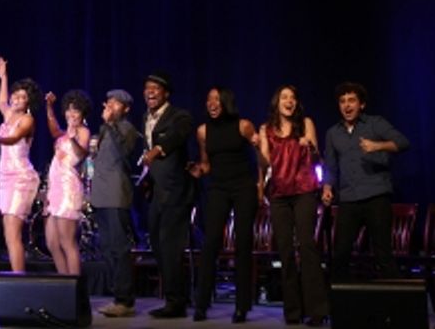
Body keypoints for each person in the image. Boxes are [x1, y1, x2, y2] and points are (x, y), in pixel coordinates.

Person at [322, 81, 411, 281]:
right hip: (349, 199)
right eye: (342, 101)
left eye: (351, 100)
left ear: (361, 104)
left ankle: (395, 298)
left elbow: (403, 143)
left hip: (376, 196)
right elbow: (331, 166)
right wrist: (327, 187)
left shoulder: (375, 123)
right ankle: (341, 299)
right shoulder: (333, 133)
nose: (347, 105)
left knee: (382, 254)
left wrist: (378, 146)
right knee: (340, 254)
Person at [189, 87, 262, 324]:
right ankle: (201, 305)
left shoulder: (243, 126)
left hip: (243, 187)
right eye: (208, 99)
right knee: (210, 243)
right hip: (218, 188)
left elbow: (260, 159)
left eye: (216, 99)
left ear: (226, 102)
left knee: (243, 244)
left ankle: (241, 307)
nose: (211, 103)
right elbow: (206, 164)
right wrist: (197, 170)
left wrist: (260, 184)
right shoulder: (203, 131)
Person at [257, 85, 328, 325]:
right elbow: (265, 164)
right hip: (279, 194)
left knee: (307, 246)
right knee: (285, 251)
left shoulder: (306, 124)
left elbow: (318, 158)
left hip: (304, 190)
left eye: (293, 98)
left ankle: (317, 310)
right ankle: (293, 311)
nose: (289, 101)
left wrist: (311, 146)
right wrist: (257, 148)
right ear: (277, 103)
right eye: (284, 97)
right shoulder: (266, 129)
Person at [138, 72, 196, 319]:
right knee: (158, 244)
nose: (150, 92)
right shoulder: (145, 117)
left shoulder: (179, 116)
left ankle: (176, 302)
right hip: (157, 192)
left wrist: (158, 149)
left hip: (175, 192)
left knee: (171, 246)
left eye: (155, 88)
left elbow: (178, 134)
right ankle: (176, 296)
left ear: (166, 93)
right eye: (147, 88)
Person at [89, 89, 140, 318]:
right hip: (101, 195)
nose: (110, 106)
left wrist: (109, 124)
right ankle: (117, 297)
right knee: (108, 248)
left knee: (119, 248)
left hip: (116, 195)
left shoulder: (127, 129)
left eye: (116, 103)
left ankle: (125, 300)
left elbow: (124, 152)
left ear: (126, 109)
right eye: (108, 102)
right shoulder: (104, 130)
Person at [0, 57, 41, 273]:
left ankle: (19, 279)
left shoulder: (27, 120)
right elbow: (1, 102)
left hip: (21, 178)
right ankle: (17, 276)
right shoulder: (9, 114)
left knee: (13, 232)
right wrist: (4, 77)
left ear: (29, 102)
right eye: (16, 95)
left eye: (23, 97)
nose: (17, 99)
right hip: (5, 177)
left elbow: (14, 138)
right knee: (8, 233)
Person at [42, 89, 91, 276]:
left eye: (75, 110)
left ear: (82, 113)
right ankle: (64, 283)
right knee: (52, 243)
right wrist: (49, 107)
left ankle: (74, 286)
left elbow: (81, 153)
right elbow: (54, 129)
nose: (71, 114)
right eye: (68, 110)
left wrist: (72, 139)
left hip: (68, 190)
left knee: (67, 242)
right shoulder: (63, 134)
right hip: (55, 189)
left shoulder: (83, 131)